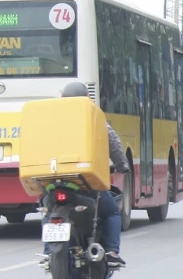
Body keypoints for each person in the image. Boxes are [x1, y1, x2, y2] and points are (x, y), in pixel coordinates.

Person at [44, 82, 126, 267]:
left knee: (48, 213)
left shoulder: (48, 118)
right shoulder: (92, 117)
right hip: (84, 182)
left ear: (63, 99)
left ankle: (48, 253)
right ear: (87, 99)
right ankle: (112, 252)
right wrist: (122, 165)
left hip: (52, 180)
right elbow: (113, 143)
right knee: (112, 211)